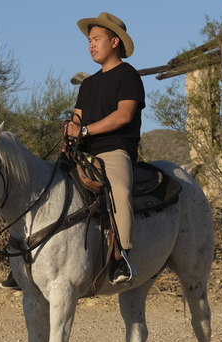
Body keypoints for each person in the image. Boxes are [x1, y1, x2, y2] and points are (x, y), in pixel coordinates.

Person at [66, 12, 145, 284]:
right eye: (89, 41)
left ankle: (121, 257)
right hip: (83, 151)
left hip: (114, 150)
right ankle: (23, 258)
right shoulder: (88, 84)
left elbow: (123, 115)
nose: (91, 45)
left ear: (114, 42)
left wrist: (85, 130)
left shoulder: (128, 75)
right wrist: (72, 129)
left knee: (120, 191)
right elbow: (78, 115)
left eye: (96, 39)